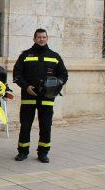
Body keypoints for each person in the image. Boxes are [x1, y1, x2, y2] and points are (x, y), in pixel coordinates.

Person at [13, 28, 68, 163]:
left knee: (45, 126)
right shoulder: (25, 55)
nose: (41, 39)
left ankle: (43, 153)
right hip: (29, 97)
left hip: (47, 98)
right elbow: (17, 75)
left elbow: (64, 75)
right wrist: (26, 87)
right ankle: (23, 151)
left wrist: (54, 87)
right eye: (39, 37)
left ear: (47, 39)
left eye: (44, 37)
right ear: (34, 39)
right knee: (25, 125)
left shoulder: (55, 56)